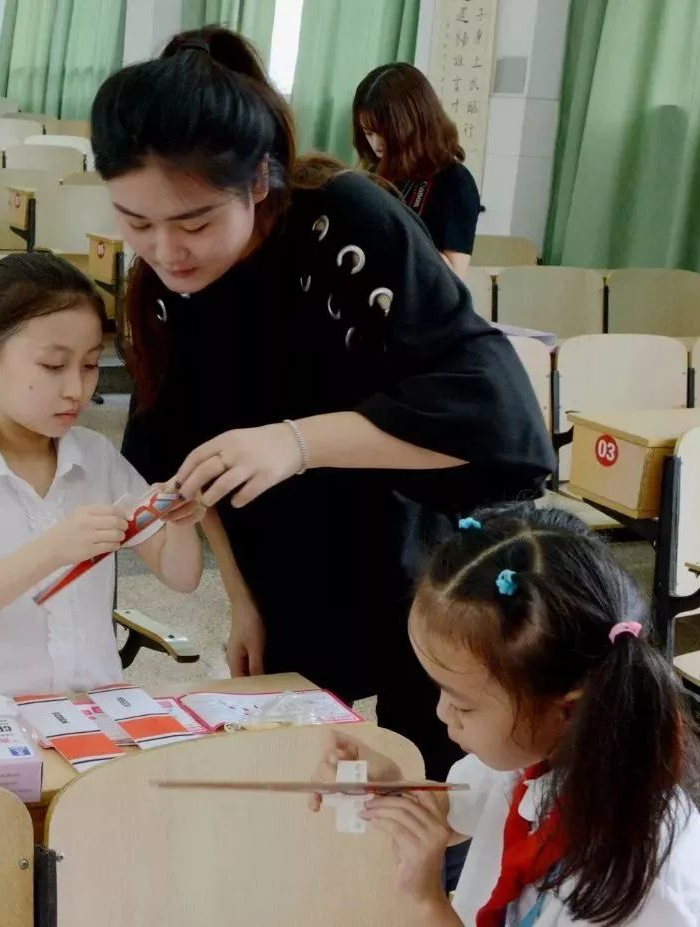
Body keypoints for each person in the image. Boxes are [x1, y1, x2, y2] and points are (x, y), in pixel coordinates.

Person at [89, 28, 554, 779]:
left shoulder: (346, 221)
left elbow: (497, 422)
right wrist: (239, 598)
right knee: (297, 777)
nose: (167, 251)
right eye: (136, 223)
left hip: (410, 557)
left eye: (197, 222)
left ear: (260, 182)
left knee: (427, 778)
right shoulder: (161, 290)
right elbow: (190, 461)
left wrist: (296, 442)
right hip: (285, 569)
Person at [310, 507, 700, 926]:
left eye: (463, 704)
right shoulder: (533, 755)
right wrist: (389, 788)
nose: (441, 713)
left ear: (566, 706)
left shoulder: (644, 885)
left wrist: (427, 902)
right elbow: (453, 808)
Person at [0, 252, 204, 705]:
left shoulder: (97, 459)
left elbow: (181, 577)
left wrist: (179, 520)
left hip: (92, 716)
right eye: (52, 366)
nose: (76, 389)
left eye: (89, 365)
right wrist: (50, 550)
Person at [353, 62, 480, 280]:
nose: (376, 144)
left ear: (413, 124)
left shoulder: (454, 181)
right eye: (368, 132)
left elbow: (452, 279)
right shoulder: (374, 176)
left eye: (384, 133)